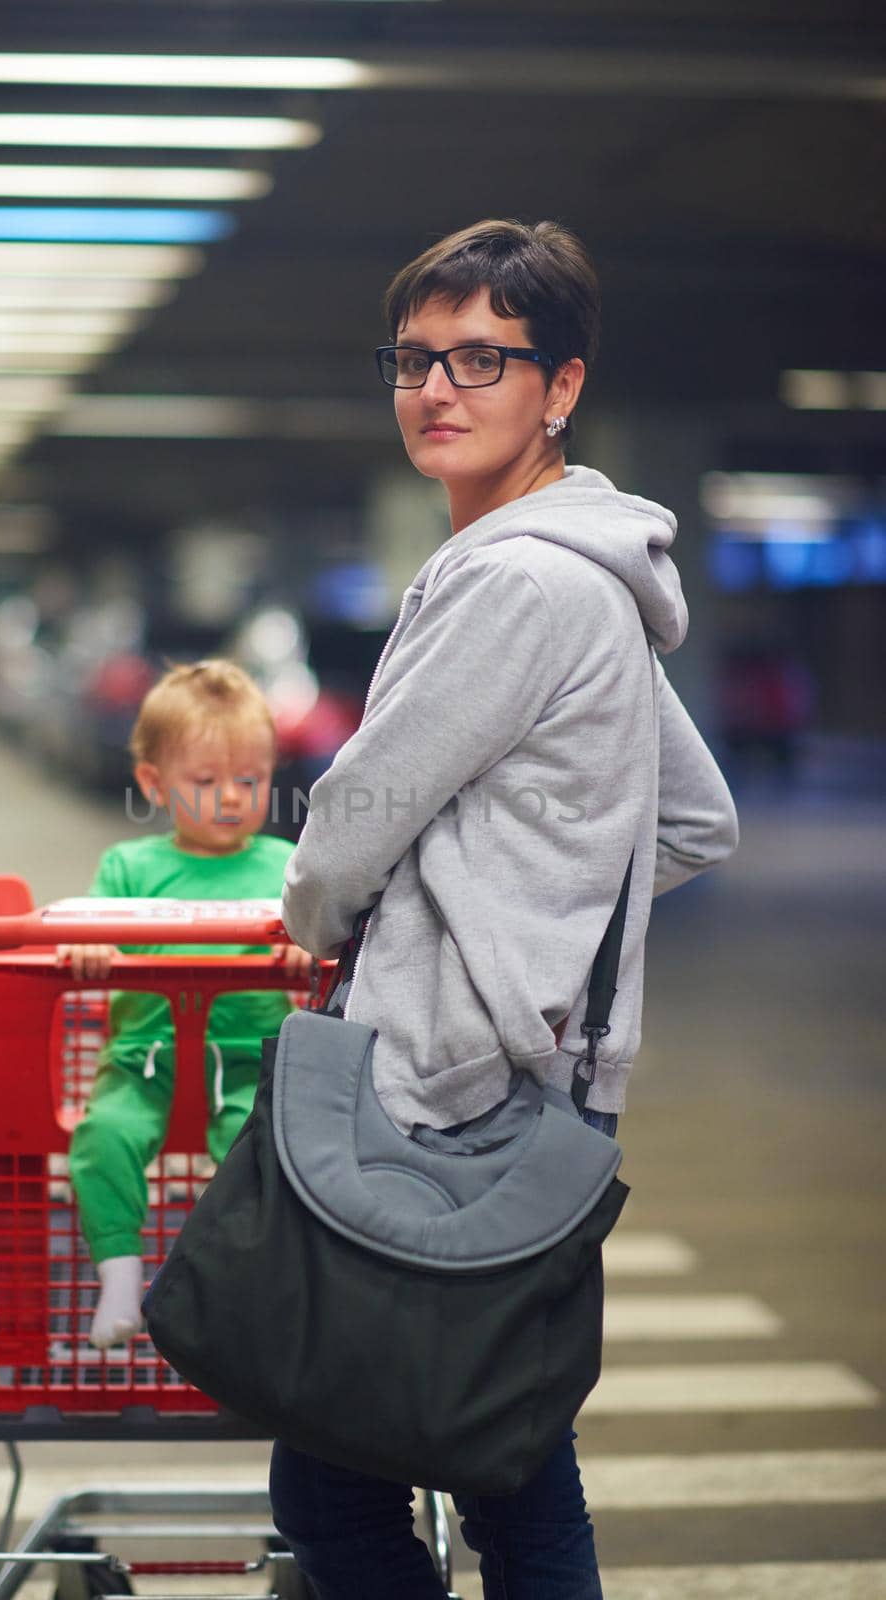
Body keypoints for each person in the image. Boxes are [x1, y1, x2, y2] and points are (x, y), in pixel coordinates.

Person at [270, 220, 740, 1599]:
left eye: (483, 358)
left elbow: (353, 820)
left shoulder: (510, 578)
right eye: (414, 360)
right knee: (506, 1462)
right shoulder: (596, 578)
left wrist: (358, 921)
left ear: (563, 387)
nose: (437, 388)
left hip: (445, 1092)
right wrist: (534, 920)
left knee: (350, 1491)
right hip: (536, 1091)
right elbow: (697, 817)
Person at [61, 659, 310, 1349]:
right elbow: (88, 928)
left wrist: (302, 952)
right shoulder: (129, 869)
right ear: (153, 783)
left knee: (258, 1163)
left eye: (250, 780)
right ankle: (118, 1276)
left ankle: (225, 1299)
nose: (231, 797)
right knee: (100, 1139)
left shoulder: (288, 868)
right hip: (146, 1058)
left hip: (251, 1063)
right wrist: (90, 948)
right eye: (205, 782)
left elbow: (321, 939)